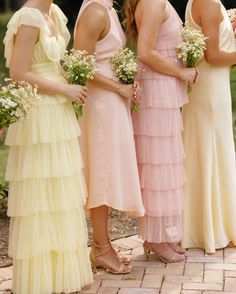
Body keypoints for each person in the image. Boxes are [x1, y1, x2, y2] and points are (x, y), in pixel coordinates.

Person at [3, 0, 93, 292]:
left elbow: (51, 66)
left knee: (60, 194)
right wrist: (65, 88)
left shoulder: (53, 13)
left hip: (59, 112)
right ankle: (40, 279)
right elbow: (18, 73)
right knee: (40, 197)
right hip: (39, 115)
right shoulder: (28, 17)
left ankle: (61, 274)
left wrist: (72, 78)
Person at [73, 0, 145, 274]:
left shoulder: (107, 9)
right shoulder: (94, 11)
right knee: (101, 173)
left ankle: (102, 245)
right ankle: (101, 248)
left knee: (107, 171)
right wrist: (118, 86)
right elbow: (79, 63)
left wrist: (127, 80)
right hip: (100, 105)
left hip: (113, 102)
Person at [124, 0, 198, 262]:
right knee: (157, 164)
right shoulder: (154, 2)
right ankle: (155, 239)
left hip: (162, 89)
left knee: (164, 162)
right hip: (156, 90)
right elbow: (145, 52)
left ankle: (161, 235)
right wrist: (182, 72)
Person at [182, 0, 236, 254]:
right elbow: (213, 56)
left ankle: (203, 225)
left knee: (204, 153)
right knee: (213, 152)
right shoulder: (210, 4)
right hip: (211, 90)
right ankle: (213, 229)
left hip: (205, 87)